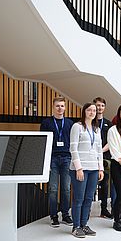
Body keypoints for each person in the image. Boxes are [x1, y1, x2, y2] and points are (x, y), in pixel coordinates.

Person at [69, 103, 104, 238]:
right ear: (84, 111)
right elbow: (73, 148)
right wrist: (78, 168)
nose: (92, 112)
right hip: (80, 169)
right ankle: (76, 226)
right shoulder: (77, 127)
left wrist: (100, 168)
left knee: (89, 198)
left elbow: (99, 150)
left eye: (94, 110)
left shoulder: (96, 129)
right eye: (89, 110)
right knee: (79, 198)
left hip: (94, 169)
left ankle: (84, 224)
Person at [40, 97, 73, 228]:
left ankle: (65, 214)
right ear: (53, 107)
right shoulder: (46, 123)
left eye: (62, 106)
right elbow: (42, 141)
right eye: (58, 106)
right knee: (53, 189)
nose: (60, 108)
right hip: (52, 158)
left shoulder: (70, 123)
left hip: (67, 158)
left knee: (66, 188)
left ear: (65, 108)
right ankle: (54, 215)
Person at [93, 97, 114, 219]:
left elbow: (111, 141)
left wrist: (100, 151)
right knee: (90, 184)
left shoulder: (109, 123)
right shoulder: (90, 121)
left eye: (102, 106)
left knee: (105, 183)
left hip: (105, 158)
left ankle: (104, 209)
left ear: (104, 107)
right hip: (91, 158)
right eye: (97, 105)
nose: (99, 108)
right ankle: (86, 209)